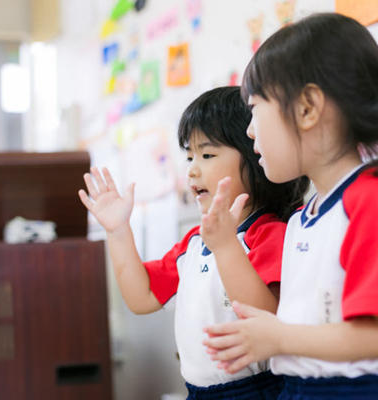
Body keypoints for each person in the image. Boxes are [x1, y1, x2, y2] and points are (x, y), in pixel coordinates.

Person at [203, 13, 378, 399]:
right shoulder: (306, 216)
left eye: (255, 107)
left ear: (308, 108)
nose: (250, 130)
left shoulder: (373, 202)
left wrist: (280, 336)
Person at [78, 86, 308, 399]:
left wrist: (227, 246)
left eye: (207, 155)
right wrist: (118, 231)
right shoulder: (196, 241)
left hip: (252, 391)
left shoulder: (269, 233)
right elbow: (142, 296)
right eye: (189, 156)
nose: (192, 169)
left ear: (256, 156)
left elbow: (266, 317)